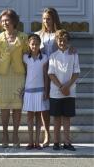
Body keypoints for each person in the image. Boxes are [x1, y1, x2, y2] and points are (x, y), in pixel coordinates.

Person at [35, 8, 75, 147]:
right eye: (44, 18)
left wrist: (71, 47)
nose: (46, 21)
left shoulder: (59, 34)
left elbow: (65, 44)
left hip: (56, 73)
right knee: (43, 105)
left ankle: (64, 139)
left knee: (54, 106)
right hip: (41, 71)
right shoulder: (38, 34)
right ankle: (47, 134)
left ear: (54, 19)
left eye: (49, 19)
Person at [0, 9, 28, 148]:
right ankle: (5, 134)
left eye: (7, 20)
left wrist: (29, 76)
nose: (4, 23)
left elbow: (27, 57)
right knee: (4, 106)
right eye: (2, 20)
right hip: (3, 75)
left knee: (17, 107)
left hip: (18, 74)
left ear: (14, 21)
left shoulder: (24, 37)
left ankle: (15, 134)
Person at [48, 29, 80, 151]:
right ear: (56, 41)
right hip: (56, 92)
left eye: (64, 40)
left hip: (70, 92)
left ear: (68, 41)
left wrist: (67, 86)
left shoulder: (73, 54)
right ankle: (56, 142)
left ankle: (67, 142)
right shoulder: (53, 56)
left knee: (67, 118)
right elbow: (51, 74)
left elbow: (76, 73)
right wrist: (61, 87)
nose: (62, 42)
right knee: (56, 119)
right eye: (59, 40)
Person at [22, 34, 49, 150]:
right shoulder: (25, 58)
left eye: (37, 44)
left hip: (40, 90)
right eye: (32, 44)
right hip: (28, 91)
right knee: (29, 117)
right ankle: (30, 141)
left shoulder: (44, 58)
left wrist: (46, 90)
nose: (34, 46)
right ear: (29, 44)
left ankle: (37, 142)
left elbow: (46, 76)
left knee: (38, 117)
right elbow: (23, 73)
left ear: (40, 45)